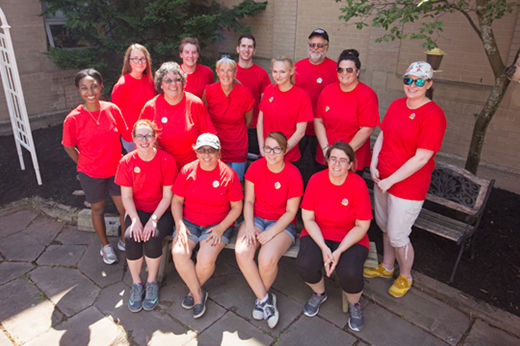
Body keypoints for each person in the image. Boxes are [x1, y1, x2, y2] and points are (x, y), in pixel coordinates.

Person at [363, 61, 447, 298]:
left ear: (429, 83)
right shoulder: (397, 105)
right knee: (385, 227)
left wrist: (391, 181)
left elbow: (422, 157)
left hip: (407, 187)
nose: (412, 85)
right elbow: (382, 136)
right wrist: (373, 164)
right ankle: (387, 267)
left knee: (398, 234)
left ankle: (405, 275)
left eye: (419, 81)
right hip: (383, 179)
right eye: (408, 79)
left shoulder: (433, 115)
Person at [296, 141, 372, 332]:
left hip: (350, 236)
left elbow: (362, 225)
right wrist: (323, 247)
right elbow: (308, 218)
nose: (337, 164)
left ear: (350, 164)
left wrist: (337, 252)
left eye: (342, 160)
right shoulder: (316, 180)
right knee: (305, 263)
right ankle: (319, 293)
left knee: (350, 272)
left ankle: (354, 304)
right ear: (327, 160)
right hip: (318, 232)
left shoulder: (358, 184)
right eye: (333, 159)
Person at [235, 132, 303, 329]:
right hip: (255, 219)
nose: (271, 153)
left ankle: (260, 298)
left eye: (276, 149)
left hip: (281, 224)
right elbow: (248, 201)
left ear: (284, 150)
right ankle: (265, 299)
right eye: (267, 148)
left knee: (266, 259)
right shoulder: (256, 167)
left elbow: (291, 212)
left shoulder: (292, 174)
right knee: (242, 252)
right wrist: (248, 226)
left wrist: (271, 233)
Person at [171, 133, 243, 319]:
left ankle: (192, 293)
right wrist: (179, 223)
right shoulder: (187, 170)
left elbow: (237, 208)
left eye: (211, 151)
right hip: (189, 222)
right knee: (178, 253)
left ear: (219, 153)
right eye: (202, 150)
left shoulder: (229, 174)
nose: (206, 155)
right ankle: (198, 294)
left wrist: (220, 228)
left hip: (218, 224)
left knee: (205, 259)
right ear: (196, 152)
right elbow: (177, 201)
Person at [62, 68, 129, 264]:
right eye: (84, 88)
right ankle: (106, 246)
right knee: (97, 209)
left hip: (116, 170)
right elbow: (68, 145)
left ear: (101, 87)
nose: (90, 92)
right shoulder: (73, 118)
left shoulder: (112, 109)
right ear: (78, 90)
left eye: (93, 86)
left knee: (124, 208)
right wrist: (82, 163)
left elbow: (126, 135)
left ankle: (125, 240)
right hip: (91, 173)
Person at [114, 120, 177, 312]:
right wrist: (134, 220)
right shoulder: (126, 162)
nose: (144, 140)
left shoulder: (166, 160)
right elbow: (126, 197)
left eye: (148, 135)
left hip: (160, 210)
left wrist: (153, 220)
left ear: (155, 137)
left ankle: (151, 282)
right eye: (140, 136)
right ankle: (136, 283)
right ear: (133, 139)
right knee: (131, 237)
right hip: (137, 210)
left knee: (153, 237)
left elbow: (168, 196)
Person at [139, 61, 215, 169]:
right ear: (161, 84)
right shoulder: (150, 107)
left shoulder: (195, 103)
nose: (173, 84)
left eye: (177, 80)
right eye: (168, 81)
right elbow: (139, 140)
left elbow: (209, 137)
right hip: (161, 168)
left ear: (183, 82)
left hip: (191, 169)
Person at [314, 49, 379, 172]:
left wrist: (343, 154)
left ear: (357, 72)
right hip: (326, 155)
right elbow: (318, 120)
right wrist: (326, 149)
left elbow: (367, 128)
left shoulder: (367, 95)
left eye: (349, 69)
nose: (344, 73)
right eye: (340, 69)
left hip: (351, 157)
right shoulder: (327, 91)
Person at [202, 57, 254, 181]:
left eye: (229, 70)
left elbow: (248, 121)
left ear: (235, 73)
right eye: (222, 70)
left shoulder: (245, 93)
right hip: (216, 147)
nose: (226, 74)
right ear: (217, 72)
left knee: (235, 183)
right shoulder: (209, 91)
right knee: (215, 183)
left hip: (237, 146)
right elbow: (203, 117)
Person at [295, 28, 337, 177]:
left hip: (323, 132)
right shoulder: (297, 67)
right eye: (312, 45)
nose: (315, 48)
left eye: (320, 45)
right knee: (297, 169)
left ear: (327, 47)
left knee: (316, 171)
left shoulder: (336, 69)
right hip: (299, 129)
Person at [257, 57, 313, 165]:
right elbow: (260, 122)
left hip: (288, 156)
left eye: (282, 72)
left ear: (291, 71)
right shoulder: (268, 90)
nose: (278, 76)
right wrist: (262, 147)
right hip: (266, 154)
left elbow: (300, 132)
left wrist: (281, 152)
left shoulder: (302, 96)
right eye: (275, 72)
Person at [111, 43, 156, 154]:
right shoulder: (122, 85)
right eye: (135, 59)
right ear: (129, 61)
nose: (139, 62)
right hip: (133, 137)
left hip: (151, 134)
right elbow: (116, 116)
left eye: (142, 59)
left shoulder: (149, 80)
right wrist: (129, 136)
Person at [235, 34, 271, 155]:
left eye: (250, 47)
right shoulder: (229, 71)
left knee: (251, 162)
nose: (246, 50)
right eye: (243, 46)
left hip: (254, 128)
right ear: (238, 49)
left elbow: (265, 105)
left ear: (254, 51)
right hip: (232, 128)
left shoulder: (262, 74)